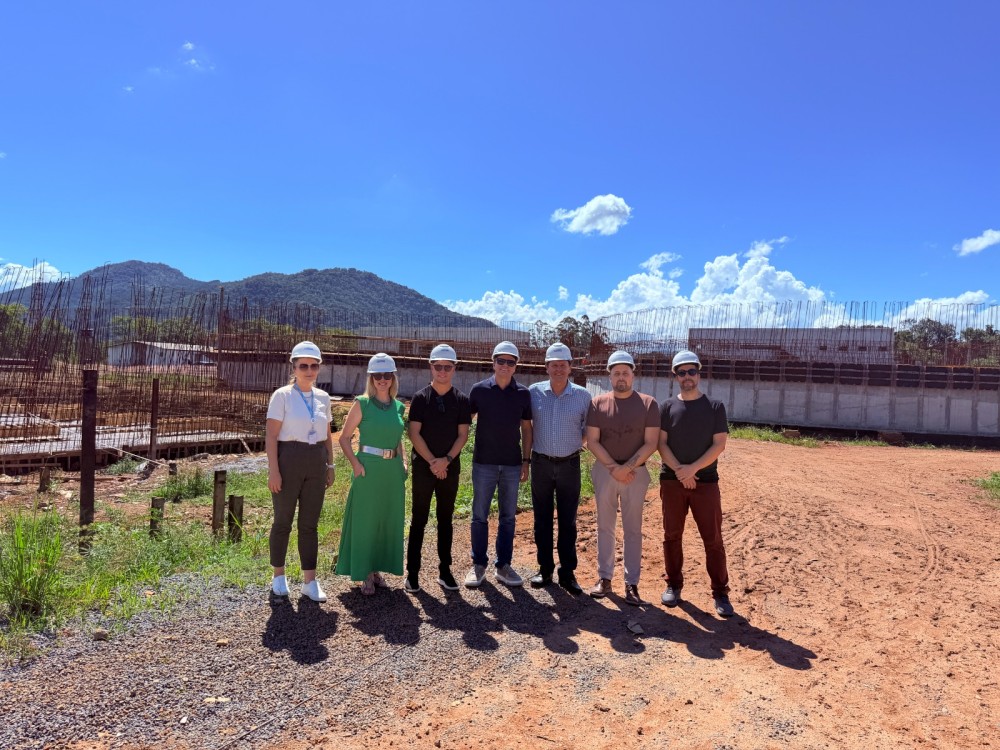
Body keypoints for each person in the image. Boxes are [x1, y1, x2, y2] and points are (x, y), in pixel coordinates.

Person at [658, 350, 734, 617]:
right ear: (675, 376)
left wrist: (692, 470)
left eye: (692, 371)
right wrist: (680, 472)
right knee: (671, 536)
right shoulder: (667, 407)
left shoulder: (715, 406)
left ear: (698, 374)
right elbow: (661, 443)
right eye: (682, 372)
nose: (687, 376)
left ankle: (720, 593)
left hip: (706, 483)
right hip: (672, 482)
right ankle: (673, 585)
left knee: (713, 539)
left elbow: (719, 444)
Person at [585, 350, 660, 605]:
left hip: (635, 474)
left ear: (633, 375)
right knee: (605, 526)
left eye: (625, 373)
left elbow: (651, 443)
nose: (621, 377)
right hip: (605, 472)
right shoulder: (598, 403)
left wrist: (627, 467)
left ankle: (632, 584)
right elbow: (592, 441)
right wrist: (612, 467)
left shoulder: (649, 404)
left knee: (633, 529)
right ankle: (604, 578)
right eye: (616, 373)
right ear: (609, 376)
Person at [266, 341, 336, 602]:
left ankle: (309, 581)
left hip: (315, 460)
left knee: (309, 524)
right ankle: (278, 576)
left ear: (319, 368)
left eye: (314, 366)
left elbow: (328, 434)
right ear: (294, 367)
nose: (309, 370)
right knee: (282, 520)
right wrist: (274, 470)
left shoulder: (323, 398)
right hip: (289, 459)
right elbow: (272, 436)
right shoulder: (282, 396)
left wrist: (330, 464)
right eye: (303, 366)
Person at [336, 353, 408, 595]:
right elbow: (344, 439)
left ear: (393, 378)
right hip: (368, 468)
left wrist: (404, 463)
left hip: (392, 470)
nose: (383, 380)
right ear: (371, 378)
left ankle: (377, 569)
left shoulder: (399, 407)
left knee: (386, 521)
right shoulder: (361, 403)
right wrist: (356, 465)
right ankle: (364, 572)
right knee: (366, 521)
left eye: (387, 375)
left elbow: (399, 440)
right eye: (378, 375)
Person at [464, 341, 533, 588]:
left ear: (516, 366)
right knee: (479, 516)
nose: (505, 366)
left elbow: (527, 428)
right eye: (500, 361)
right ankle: (478, 564)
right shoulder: (479, 391)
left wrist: (526, 461)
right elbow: (465, 423)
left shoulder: (523, 394)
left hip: (513, 465)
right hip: (484, 463)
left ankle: (503, 566)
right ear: (493, 363)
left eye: (510, 362)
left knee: (508, 518)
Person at [405, 344, 472, 593]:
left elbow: (462, 435)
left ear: (454, 369)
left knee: (446, 519)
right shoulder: (421, 398)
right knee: (419, 519)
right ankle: (413, 574)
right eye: (438, 366)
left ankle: (445, 571)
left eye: (447, 367)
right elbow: (414, 433)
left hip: (449, 467)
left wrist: (446, 460)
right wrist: (434, 462)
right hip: (424, 468)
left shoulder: (461, 400)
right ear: (431, 367)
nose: (442, 371)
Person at [527, 342, 591, 594]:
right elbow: (526, 425)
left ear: (570, 367)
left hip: (569, 464)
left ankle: (567, 573)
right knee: (541, 519)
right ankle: (545, 570)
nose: (558, 370)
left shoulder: (583, 396)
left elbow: (589, 428)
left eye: (562, 365)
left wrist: (577, 444)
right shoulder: (534, 392)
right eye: (554, 365)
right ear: (546, 367)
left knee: (568, 521)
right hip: (541, 463)